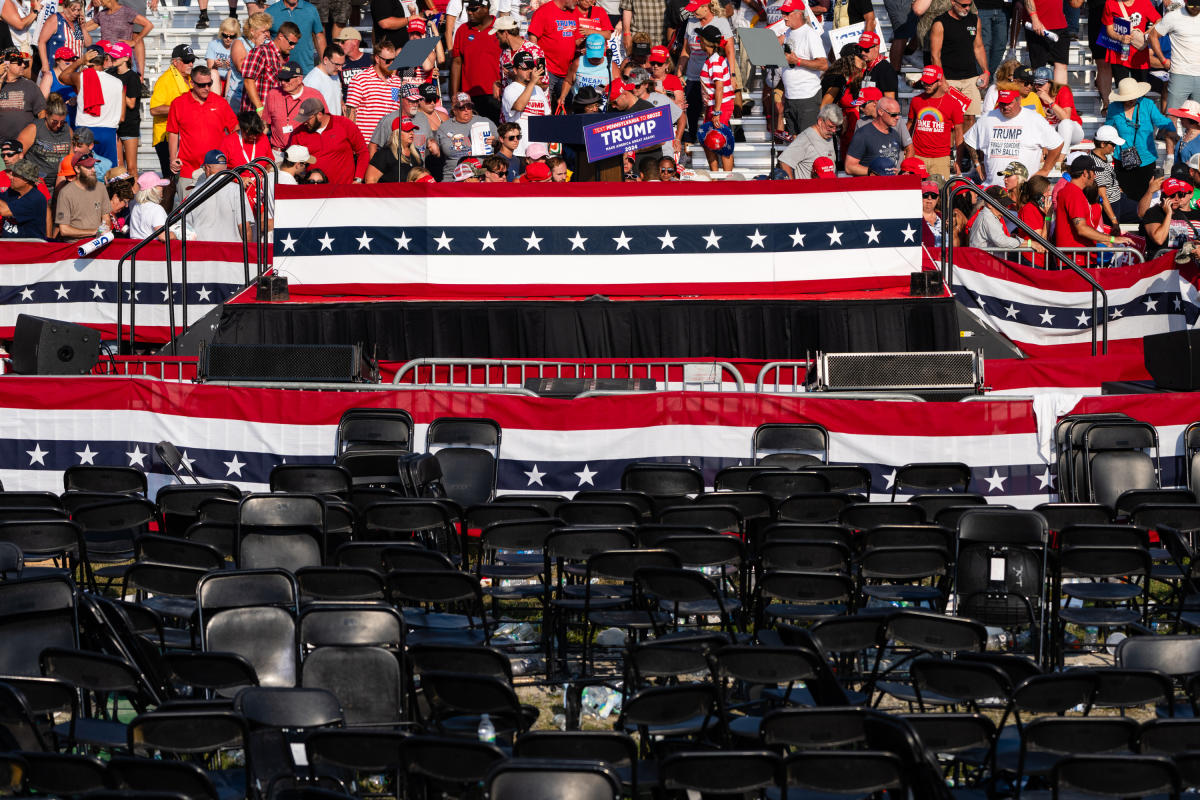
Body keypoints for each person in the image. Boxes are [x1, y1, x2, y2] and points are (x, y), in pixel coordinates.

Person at [965, 87, 1064, 186]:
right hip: (992, 190)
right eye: (1002, 103)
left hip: (1024, 191)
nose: (1005, 107)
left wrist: (1045, 170)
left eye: (1009, 103)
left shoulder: (1034, 119)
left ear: (1019, 100)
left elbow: (1057, 144)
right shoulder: (987, 118)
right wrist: (978, 163)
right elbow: (969, 140)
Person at [1106, 77, 1177, 204]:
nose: (1130, 100)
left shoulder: (1147, 104)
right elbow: (1107, 127)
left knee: (1145, 197)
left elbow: (1161, 121)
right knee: (1124, 197)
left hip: (1146, 159)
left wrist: (1172, 131)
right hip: (1122, 159)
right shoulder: (1113, 108)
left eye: (1132, 97)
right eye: (1126, 98)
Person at [1055, 154, 1134, 260]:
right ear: (1085, 173)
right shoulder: (1074, 193)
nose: (1095, 176)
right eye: (1093, 172)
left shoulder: (1072, 191)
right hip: (1076, 260)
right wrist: (1112, 239)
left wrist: (1104, 240)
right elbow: (1082, 229)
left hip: (1077, 258)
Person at [167, 64, 237, 179]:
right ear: (192, 83)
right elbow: (173, 132)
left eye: (209, 84)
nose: (207, 88)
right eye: (202, 85)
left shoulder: (220, 103)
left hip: (216, 170)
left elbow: (235, 129)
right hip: (188, 170)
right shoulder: (178, 103)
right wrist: (173, 158)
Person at [60, 45, 124, 168]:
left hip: (85, 130)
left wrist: (80, 61)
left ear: (87, 60)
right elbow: (121, 117)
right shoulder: (118, 82)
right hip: (108, 132)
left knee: (82, 171)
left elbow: (62, 77)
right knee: (108, 173)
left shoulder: (81, 77)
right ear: (105, 60)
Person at [679, 0, 732, 144]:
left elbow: (729, 50)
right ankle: (696, 139)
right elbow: (686, 50)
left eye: (696, 9)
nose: (693, 12)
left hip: (715, 76)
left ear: (706, 7)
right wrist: (679, 71)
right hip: (694, 74)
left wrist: (732, 74)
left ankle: (723, 141)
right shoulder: (691, 22)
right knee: (693, 111)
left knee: (716, 118)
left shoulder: (721, 22)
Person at [929, 0, 988, 129]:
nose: (967, 8)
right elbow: (935, 55)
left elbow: (978, 47)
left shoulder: (974, 20)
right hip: (949, 79)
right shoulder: (940, 23)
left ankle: (967, 149)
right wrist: (942, 80)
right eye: (963, 5)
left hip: (970, 78)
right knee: (950, 121)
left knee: (969, 118)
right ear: (952, 2)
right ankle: (949, 150)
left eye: (969, 4)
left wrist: (986, 71)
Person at [287, 95, 366, 182]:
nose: (304, 123)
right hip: (314, 189)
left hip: (343, 189)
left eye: (307, 119)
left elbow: (363, 152)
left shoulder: (344, 124)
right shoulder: (298, 133)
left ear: (319, 115)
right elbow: (291, 162)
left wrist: (358, 179)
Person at [907, 64, 964, 179]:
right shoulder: (916, 100)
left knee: (941, 194)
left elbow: (959, 133)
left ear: (940, 82)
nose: (927, 85)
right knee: (916, 193)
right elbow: (909, 126)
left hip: (941, 159)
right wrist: (906, 151)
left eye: (930, 83)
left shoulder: (953, 104)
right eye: (924, 82)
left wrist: (958, 160)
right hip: (917, 156)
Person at [778, 0, 826, 137]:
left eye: (787, 13)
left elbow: (823, 64)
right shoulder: (788, 33)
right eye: (782, 13)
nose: (784, 16)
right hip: (791, 96)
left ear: (799, 14)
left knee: (808, 143)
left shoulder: (810, 34)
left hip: (807, 97)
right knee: (795, 141)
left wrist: (797, 61)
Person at [344, 37, 402, 143]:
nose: (392, 64)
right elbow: (350, 112)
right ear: (377, 58)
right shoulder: (360, 79)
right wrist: (352, 141)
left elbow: (395, 107)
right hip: (366, 142)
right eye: (388, 61)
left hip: (390, 143)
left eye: (394, 60)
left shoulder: (396, 82)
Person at [450, 0, 501, 121]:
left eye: (474, 9)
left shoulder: (500, 28)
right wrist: (455, 94)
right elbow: (457, 63)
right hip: (469, 97)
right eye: (468, 9)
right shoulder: (462, 30)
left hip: (496, 94)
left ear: (486, 8)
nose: (469, 12)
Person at [428, 91, 494, 181]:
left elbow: (502, 143)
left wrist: (495, 142)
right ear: (454, 110)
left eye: (469, 106)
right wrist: (433, 147)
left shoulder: (485, 122)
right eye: (462, 107)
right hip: (452, 177)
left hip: (479, 177)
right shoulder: (444, 127)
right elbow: (436, 155)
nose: (466, 110)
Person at [185, 149, 249, 240]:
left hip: (203, 248)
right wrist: (249, 252)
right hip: (231, 250)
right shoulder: (236, 189)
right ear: (226, 167)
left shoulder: (194, 192)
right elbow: (245, 227)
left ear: (207, 168)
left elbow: (186, 226)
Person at [528, 0, 582, 104]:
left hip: (567, 70)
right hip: (548, 69)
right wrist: (539, 69)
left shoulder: (574, 11)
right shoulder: (543, 11)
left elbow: (576, 40)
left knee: (567, 106)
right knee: (544, 105)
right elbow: (532, 40)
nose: (578, 2)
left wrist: (586, 42)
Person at [696, 23, 733, 170]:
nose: (698, 41)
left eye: (700, 39)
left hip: (720, 106)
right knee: (707, 140)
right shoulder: (713, 59)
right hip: (714, 105)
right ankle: (715, 177)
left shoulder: (715, 61)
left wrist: (717, 112)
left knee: (720, 141)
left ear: (705, 42)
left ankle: (726, 179)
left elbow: (719, 87)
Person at [1151, 0, 1200, 110]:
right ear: (1185, 1)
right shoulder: (1172, 16)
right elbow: (1152, 37)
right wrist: (1163, 61)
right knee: (1172, 115)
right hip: (1179, 73)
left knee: (1197, 118)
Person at [85, 0, 151, 81]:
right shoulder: (102, 14)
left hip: (123, 60)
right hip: (107, 60)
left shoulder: (126, 12)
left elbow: (148, 25)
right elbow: (86, 28)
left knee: (127, 90)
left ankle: (140, 79)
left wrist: (134, 41)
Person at [262, 61, 322, 149]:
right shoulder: (273, 94)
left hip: (304, 153)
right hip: (278, 152)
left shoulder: (314, 95)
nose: (282, 82)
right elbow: (265, 125)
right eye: (281, 79)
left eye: (287, 79)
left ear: (299, 79)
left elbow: (323, 126)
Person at [242, 22, 299, 113]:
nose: (293, 47)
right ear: (280, 36)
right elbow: (248, 81)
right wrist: (260, 108)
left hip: (275, 114)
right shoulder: (260, 51)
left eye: (295, 44)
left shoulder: (285, 58)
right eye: (291, 43)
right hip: (255, 117)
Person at [501, 50, 548, 158]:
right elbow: (519, 107)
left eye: (531, 67)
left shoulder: (538, 90)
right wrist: (532, 82)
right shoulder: (510, 89)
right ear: (515, 70)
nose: (530, 71)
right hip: (520, 151)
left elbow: (547, 117)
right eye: (525, 68)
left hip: (541, 150)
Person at [845, 96, 907, 176]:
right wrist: (872, 172)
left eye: (898, 114)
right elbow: (849, 167)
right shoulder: (863, 134)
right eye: (893, 114)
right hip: (869, 186)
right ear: (880, 112)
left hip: (889, 186)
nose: (897, 117)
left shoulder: (895, 134)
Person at [777, 101, 840, 178]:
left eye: (836, 127)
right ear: (820, 121)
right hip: (809, 188)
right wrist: (793, 187)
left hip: (828, 187)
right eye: (830, 127)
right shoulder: (805, 138)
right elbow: (784, 162)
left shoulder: (828, 134)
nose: (834, 131)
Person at [1102, 0, 1159, 86]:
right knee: (1123, 92)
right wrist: (1120, 37)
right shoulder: (1110, 3)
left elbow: (1159, 20)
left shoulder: (1144, 2)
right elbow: (1109, 29)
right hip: (1118, 55)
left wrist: (1146, 34)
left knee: (1140, 92)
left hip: (1139, 54)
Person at [53, 151, 107, 239]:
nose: (93, 170)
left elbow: (105, 218)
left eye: (70, 177)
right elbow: (62, 229)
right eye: (67, 177)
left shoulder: (100, 188)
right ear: (77, 170)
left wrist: (103, 232)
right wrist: (95, 231)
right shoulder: (65, 193)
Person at [1024, 0, 1078, 86]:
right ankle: (1039, 98)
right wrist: (1034, 19)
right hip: (1039, 26)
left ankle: (1060, 98)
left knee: (1062, 65)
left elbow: (1076, 4)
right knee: (1038, 68)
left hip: (1061, 25)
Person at [106, 41, 141, 175]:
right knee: (118, 166)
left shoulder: (132, 77)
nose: (113, 59)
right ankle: (120, 195)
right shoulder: (110, 73)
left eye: (117, 56)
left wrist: (118, 88)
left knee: (131, 167)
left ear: (126, 58)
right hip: (113, 122)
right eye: (112, 56)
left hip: (129, 124)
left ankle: (135, 194)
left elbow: (131, 103)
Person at [1030, 65, 1082, 154]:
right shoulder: (1033, 95)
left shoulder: (1063, 90)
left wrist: (1049, 101)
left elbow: (1066, 117)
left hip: (1072, 131)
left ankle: (1060, 160)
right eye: (1035, 84)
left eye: (1041, 84)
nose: (1038, 87)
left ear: (1051, 83)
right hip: (1052, 132)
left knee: (1065, 124)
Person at [18, 92, 69, 181]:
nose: (58, 125)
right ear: (46, 115)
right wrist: (31, 176)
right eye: (55, 121)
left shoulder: (67, 129)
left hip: (60, 180)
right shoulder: (33, 129)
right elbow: (17, 156)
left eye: (62, 122)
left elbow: (70, 157)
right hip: (36, 181)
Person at [1091, 123, 1135, 227]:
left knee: (1145, 211)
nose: (1115, 148)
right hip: (1112, 205)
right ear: (1102, 144)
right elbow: (1103, 196)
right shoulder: (1097, 166)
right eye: (1113, 144)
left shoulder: (1102, 157)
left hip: (1119, 200)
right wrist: (1114, 221)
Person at [1142, 176, 1199, 253]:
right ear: (1163, 196)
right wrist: (1169, 214)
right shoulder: (1153, 212)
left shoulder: (1180, 214)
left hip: (1177, 260)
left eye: (1180, 195)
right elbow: (1159, 239)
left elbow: (1180, 243)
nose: (1177, 199)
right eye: (1172, 195)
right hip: (1160, 260)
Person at [229, 12, 272, 112]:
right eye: (264, 31)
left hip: (262, 95)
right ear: (252, 31)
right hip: (240, 95)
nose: (267, 34)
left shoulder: (268, 43)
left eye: (268, 31)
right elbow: (242, 68)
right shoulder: (239, 42)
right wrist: (257, 47)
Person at [0, 46, 44, 142]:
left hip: (25, 144)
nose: (24, 65)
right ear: (6, 64)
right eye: (19, 62)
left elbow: (42, 113)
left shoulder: (30, 85)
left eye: (24, 62)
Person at [265, 0, 323, 72]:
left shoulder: (311, 9)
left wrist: (324, 63)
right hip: (279, 70)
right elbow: (263, 38)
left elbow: (319, 36)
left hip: (305, 70)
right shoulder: (270, 12)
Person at [36, 0, 87, 83]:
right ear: (64, 7)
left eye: (78, 10)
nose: (76, 13)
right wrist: (45, 65)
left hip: (75, 71)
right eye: (73, 10)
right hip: (56, 69)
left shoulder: (77, 23)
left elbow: (87, 44)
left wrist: (83, 27)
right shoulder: (55, 19)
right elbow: (41, 42)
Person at [969, 186, 1034, 249]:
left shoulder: (990, 216)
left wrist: (1011, 238)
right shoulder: (988, 217)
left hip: (984, 258)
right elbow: (1001, 241)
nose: (1006, 207)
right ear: (989, 204)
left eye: (1006, 204)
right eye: (1003, 204)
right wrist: (1030, 243)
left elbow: (1000, 240)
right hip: (983, 259)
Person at [561, 33, 615, 108]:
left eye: (598, 56)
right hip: (581, 107)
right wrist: (562, 97)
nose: (595, 59)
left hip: (602, 109)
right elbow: (568, 81)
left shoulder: (611, 65)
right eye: (592, 56)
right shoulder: (578, 63)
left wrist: (604, 88)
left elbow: (618, 86)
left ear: (605, 48)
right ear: (586, 49)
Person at [365, 114, 422, 181]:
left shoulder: (416, 154)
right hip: (389, 191)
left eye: (412, 130)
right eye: (407, 130)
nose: (411, 133)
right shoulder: (385, 153)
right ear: (397, 133)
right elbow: (370, 179)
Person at [0, 157, 44, 237]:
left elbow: (4, 211)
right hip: (8, 245)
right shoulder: (13, 191)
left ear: (26, 180)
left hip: (27, 246)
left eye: (15, 175)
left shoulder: (35, 198)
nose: (11, 178)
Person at [39, 47, 80, 119]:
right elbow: (42, 102)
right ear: (57, 61)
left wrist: (76, 99)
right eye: (67, 60)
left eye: (73, 59)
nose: (70, 62)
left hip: (73, 118)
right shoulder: (49, 76)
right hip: (55, 119)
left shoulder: (75, 75)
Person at [303, 43, 344, 115]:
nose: (340, 69)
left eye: (342, 64)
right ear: (325, 60)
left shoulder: (334, 74)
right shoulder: (312, 81)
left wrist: (342, 104)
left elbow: (337, 96)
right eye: (337, 64)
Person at [129, 169, 170, 239]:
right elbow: (163, 236)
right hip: (152, 249)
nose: (162, 187)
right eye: (159, 185)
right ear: (152, 190)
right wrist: (176, 234)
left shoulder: (136, 206)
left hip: (136, 247)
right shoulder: (156, 209)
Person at [206, 17, 240, 90]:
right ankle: (216, 100)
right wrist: (215, 65)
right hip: (216, 78)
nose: (228, 39)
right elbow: (209, 68)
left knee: (231, 72)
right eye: (225, 35)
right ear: (221, 33)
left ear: (236, 35)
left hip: (232, 78)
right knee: (213, 72)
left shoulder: (240, 46)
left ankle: (228, 98)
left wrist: (232, 66)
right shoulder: (213, 44)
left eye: (231, 36)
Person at [920, 179, 943, 243]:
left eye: (933, 195)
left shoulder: (944, 218)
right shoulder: (914, 219)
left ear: (937, 198)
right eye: (925, 195)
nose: (929, 198)